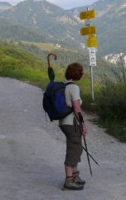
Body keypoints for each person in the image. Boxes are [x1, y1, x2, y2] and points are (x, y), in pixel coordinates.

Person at [58, 62, 88, 191]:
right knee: (72, 150)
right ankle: (68, 181)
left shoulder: (64, 85)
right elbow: (76, 108)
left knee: (76, 148)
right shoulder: (74, 88)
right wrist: (83, 124)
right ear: (78, 74)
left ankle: (75, 176)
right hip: (71, 123)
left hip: (64, 122)